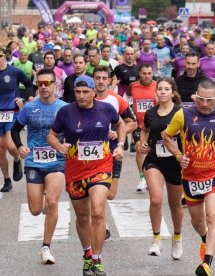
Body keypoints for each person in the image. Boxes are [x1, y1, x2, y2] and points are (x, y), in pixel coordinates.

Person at [163, 79, 215, 276]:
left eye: (210, 100)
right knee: (198, 223)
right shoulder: (183, 115)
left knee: (212, 216)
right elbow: (167, 136)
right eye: (201, 100)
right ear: (195, 97)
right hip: (191, 179)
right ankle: (205, 238)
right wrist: (178, 155)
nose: (206, 104)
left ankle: (206, 264)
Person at [47, 75, 126, 276]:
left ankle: (98, 259)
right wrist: (59, 146)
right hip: (75, 171)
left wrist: (121, 144)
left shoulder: (106, 109)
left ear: (93, 92)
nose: (81, 96)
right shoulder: (66, 112)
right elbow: (51, 135)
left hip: (101, 168)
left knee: (98, 210)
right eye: (78, 92)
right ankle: (87, 254)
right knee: (82, 217)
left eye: (85, 92)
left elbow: (122, 124)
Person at [11, 68, 67, 264]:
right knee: (35, 209)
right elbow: (15, 129)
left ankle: (46, 247)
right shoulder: (29, 108)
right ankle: (43, 204)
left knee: (52, 202)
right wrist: (20, 147)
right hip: (34, 161)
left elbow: (75, 130)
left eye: (47, 83)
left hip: (56, 161)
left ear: (55, 85)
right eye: (40, 84)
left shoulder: (64, 108)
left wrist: (68, 144)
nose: (43, 87)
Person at [139, 78, 184, 259]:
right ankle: (156, 239)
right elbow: (144, 130)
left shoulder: (180, 112)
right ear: (156, 92)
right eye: (160, 89)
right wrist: (143, 143)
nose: (163, 92)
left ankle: (177, 238)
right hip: (154, 160)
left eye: (166, 89)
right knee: (156, 199)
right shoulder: (150, 113)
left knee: (175, 205)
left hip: (175, 162)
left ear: (173, 92)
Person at [93, 66, 137, 240]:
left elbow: (132, 123)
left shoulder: (116, 99)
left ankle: (99, 216)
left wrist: (119, 133)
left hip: (113, 150)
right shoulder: (85, 98)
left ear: (110, 80)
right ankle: (101, 224)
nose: (101, 81)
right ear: (93, 79)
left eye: (104, 78)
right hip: (92, 153)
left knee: (110, 194)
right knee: (96, 188)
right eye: (98, 78)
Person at [0, 45, 32, 192]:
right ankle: (7, 180)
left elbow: (29, 85)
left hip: (12, 111)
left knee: (10, 144)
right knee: (0, 149)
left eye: (0, 56)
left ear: (6, 56)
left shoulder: (15, 71)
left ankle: (17, 160)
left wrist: (22, 98)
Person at [126, 64, 157, 193]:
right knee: (140, 149)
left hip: (154, 124)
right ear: (139, 74)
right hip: (139, 124)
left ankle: (152, 177)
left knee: (152, 151)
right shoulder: (133, 86)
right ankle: (142, 177)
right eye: (144, 73)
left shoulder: (157, 85)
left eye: (149, 73)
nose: (147, 76)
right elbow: (127, 98)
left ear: (152, 73)